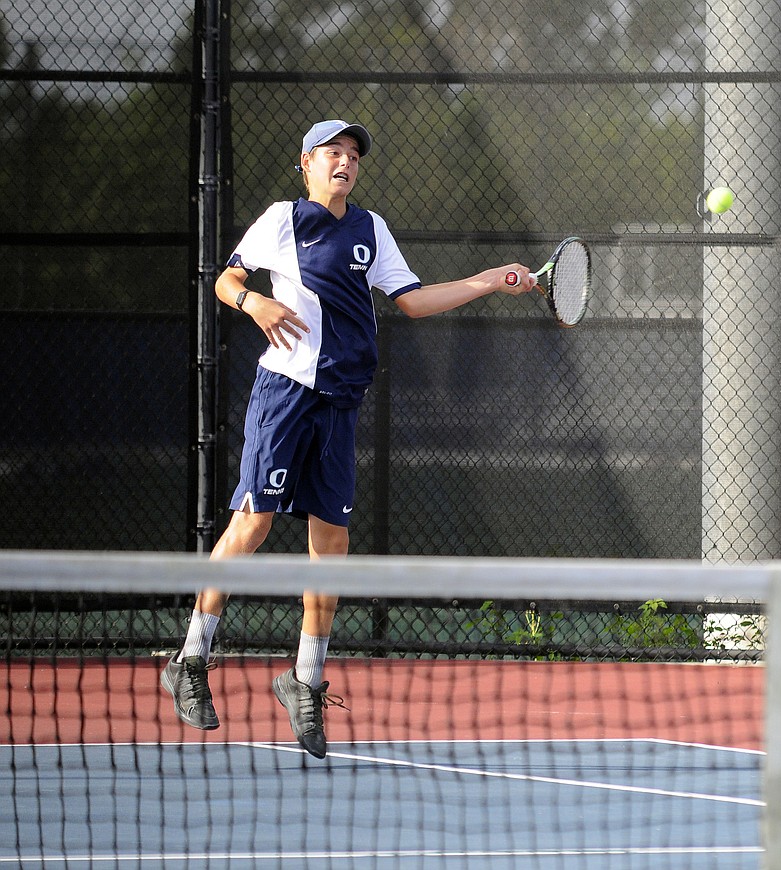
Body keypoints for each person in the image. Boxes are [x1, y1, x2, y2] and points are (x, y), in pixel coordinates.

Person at [160, 119, 536, 758]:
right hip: (284, 396)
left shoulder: (371, 229)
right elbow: (227, 279)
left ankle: (304, 679)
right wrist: (254, 303)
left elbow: (412, 300)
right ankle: (191, 657)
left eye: (353, 155)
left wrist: (486, 279)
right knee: (252, 527)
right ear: (306, 163)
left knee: (330, 545)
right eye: (333, 153)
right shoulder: (284, 219)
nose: (346, 162)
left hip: (340, 404)